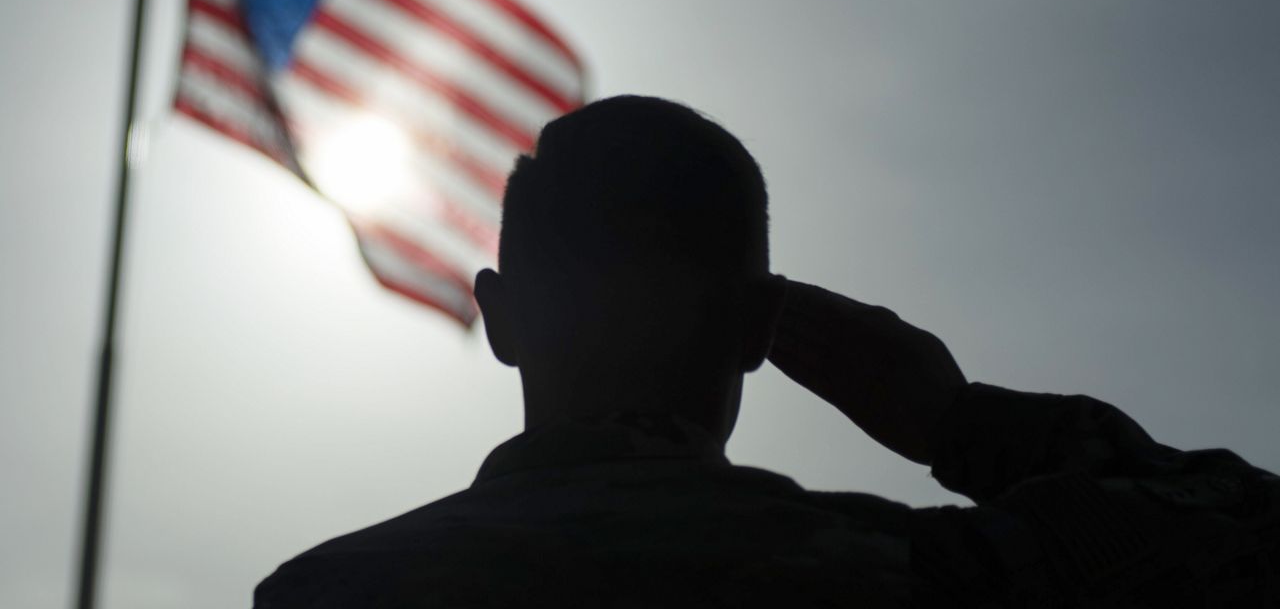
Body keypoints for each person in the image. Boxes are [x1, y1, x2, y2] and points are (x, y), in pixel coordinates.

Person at [254, 96, 1279, 607]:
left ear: (502, 316)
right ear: (760, 331)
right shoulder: (916, 573)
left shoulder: (324, 595)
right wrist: (961, 425)